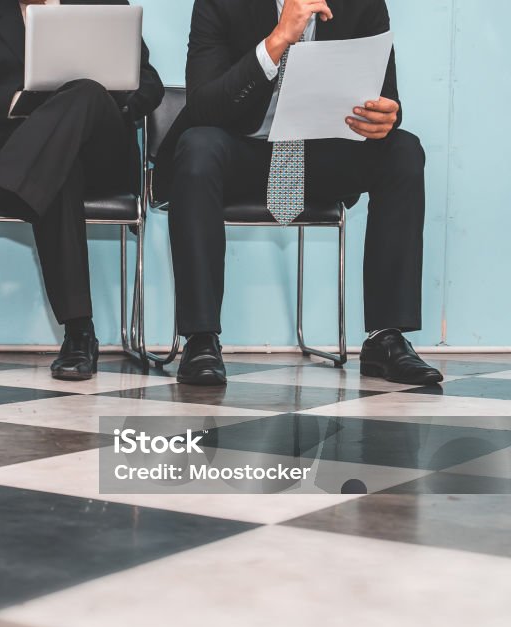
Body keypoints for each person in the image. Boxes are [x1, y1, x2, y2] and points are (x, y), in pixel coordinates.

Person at [152, 0, 442, 386]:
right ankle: (201, 339)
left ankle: (385, 338)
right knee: (198, 148)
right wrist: (276, 40)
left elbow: (385, 96)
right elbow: (204, 105)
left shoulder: (363, 4)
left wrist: (386, 116)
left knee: (403, 151)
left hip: (320, 156)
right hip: (243, 151)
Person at [0, 0, 163, 381]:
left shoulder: (103, 8)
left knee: (85, 91)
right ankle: (79, 334)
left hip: (103, 154)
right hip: (35, 164)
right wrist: (25, 101)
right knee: (59, 167)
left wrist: (98, 101)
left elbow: (149, 85)